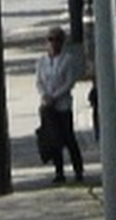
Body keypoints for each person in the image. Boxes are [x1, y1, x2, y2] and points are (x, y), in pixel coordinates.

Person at [35, 26, 85, 184]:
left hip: (63, 105)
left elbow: (69, 82)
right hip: (48, 107)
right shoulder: (41, 61)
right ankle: (59, 172)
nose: (54, 43)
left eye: (57, 39)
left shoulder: (67, 59)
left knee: (69, 138)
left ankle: (78, 170)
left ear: (62, 42)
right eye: (50, 39)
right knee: (54, 139)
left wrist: (55, 96)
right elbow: (39, 81)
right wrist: (45, 95)